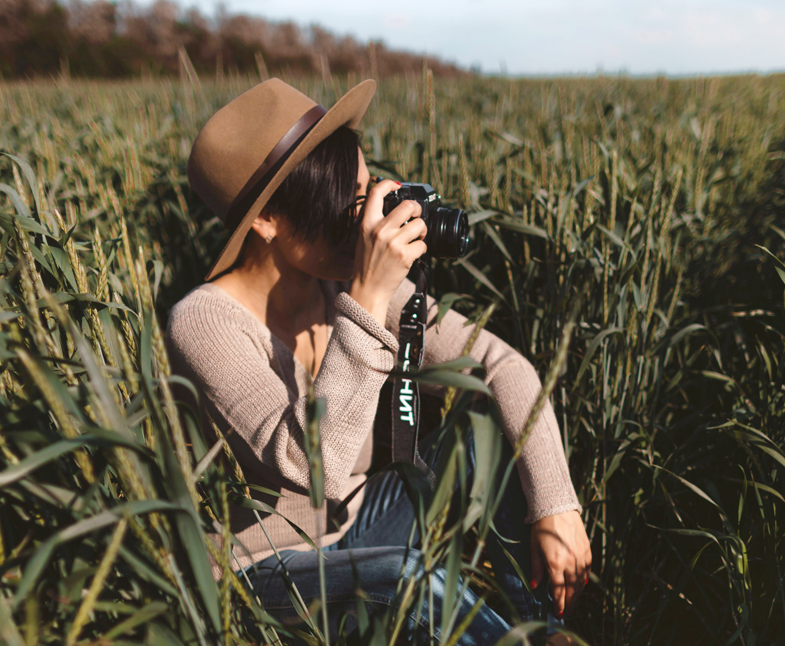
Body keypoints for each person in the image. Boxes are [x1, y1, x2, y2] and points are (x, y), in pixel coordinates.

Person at [166, 78, 591, 645]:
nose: (365, 218)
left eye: (366, 193)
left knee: (484, 428)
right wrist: (366, 300)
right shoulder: (203, 321)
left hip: (364, 523)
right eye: (343, 205)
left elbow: (501, 364)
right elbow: (309, 468)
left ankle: (545, 629)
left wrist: (555, 507)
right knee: (411, 582)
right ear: (266, 220)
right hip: (266, 569)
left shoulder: (341, 277)